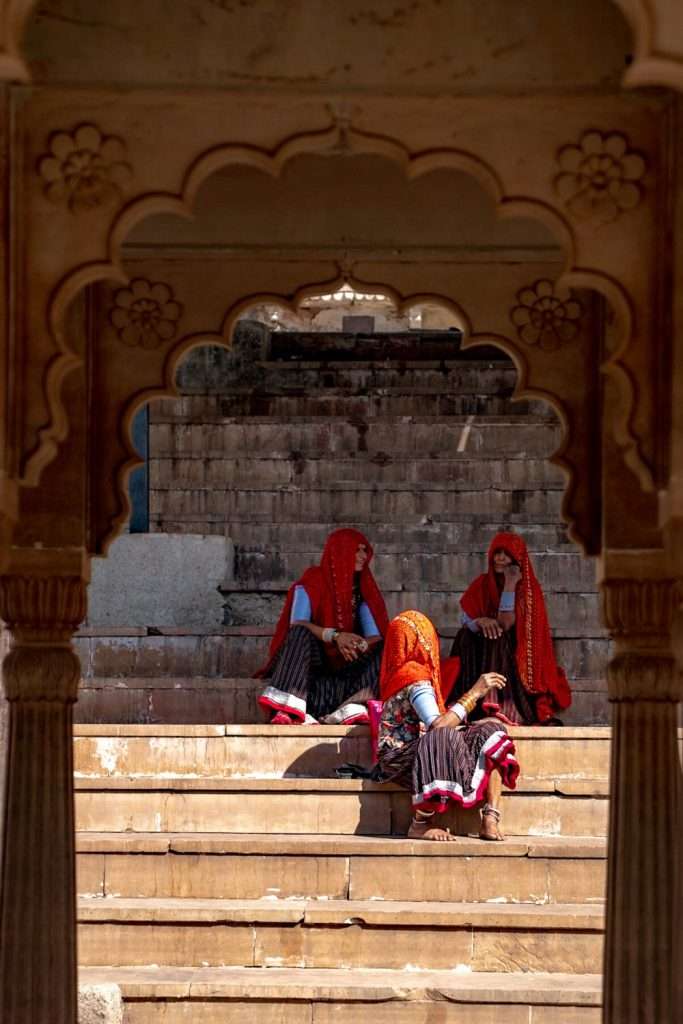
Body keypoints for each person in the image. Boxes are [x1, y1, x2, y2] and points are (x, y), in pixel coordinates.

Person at [377, 610, 519, 842]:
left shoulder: (417, 675)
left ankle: (490, 817)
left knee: (492, 730)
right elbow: (439, 727)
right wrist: (475, 693)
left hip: (427, 750)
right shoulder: (413, 675)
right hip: (400, 759)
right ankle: (420, 823)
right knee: (443, 736)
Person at [256, 528, 389, 724]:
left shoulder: (362, 588)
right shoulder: (313, 580)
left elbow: (375, 637)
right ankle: (289, 708)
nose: (363, 556)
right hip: (312, 667)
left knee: (384, 646)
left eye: (364, 551)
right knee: (300, 633)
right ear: (341, 550)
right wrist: (335, 636)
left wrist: (356, 644)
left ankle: (354, 706)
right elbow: (297, 622)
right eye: (357, 550)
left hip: (346, 665)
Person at [445, 531, 572, 725]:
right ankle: (467, 705)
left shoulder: (528, 589)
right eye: (497, 553)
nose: (501, 558)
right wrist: (480, 621)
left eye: (507, 554)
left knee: (498, 634)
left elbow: (505, 624)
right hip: (482, 652)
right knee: (465, 635)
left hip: (513, 655)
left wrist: (510, 584)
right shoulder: (482, 583)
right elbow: (466, 618)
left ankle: (497, 706)